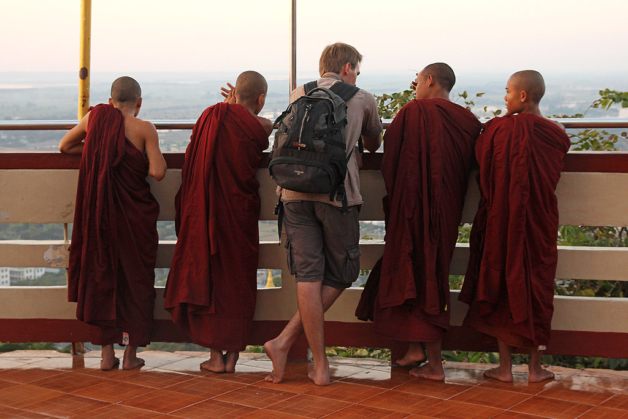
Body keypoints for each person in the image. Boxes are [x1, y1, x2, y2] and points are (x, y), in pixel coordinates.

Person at [264, 42, 383, 386]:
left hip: (292, 192)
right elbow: (374, 143)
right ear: (347, 67)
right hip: (337, 195)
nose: (357, 74)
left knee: (308, 277)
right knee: (345, 272)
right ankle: (289, 344)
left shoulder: (298, 92)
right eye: (356, 69)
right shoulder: (361, 97)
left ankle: (312, 361)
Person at [356, 63, 482, 381]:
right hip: (445, 214)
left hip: (410, 210)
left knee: (421, 274)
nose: (415, 89)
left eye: (416, 82)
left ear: (428, 80)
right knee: (424, 272)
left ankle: (436, 366)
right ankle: (415, 349)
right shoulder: (466, 120)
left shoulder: (412, 114)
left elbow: (392, 163)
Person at [459, 70, 571, 383]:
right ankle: (535, 368)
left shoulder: (495, 130)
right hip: (539, 223)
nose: (505, 98)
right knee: (536, 285)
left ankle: (505, 368)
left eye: (508, 92)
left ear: (522, 96)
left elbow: (481, 160)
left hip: (500, 221)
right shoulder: (555, 133)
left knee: (500, 283)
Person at [164, 71, 272, 374]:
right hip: (239, 215)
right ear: (261, 99)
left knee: (209, 275)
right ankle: (233, 357)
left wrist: (226, 107)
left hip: (208, 213)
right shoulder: (262, 125)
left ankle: (215, 357)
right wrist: (235, 108)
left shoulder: (210, 117)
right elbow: (249, 130)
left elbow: (202, 150)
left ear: (234, 93)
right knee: (237, 282)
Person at [60, 76, 167, 371]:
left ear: (110, 102)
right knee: (135, 281)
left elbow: (65, 146)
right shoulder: (144, 128)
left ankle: (107, 355)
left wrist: (99, 151)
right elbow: (158, 172)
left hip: (99, 220)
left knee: (101, 277)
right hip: (134, 221)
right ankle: (131, 355)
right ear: (139, 102)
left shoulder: (95, 118)